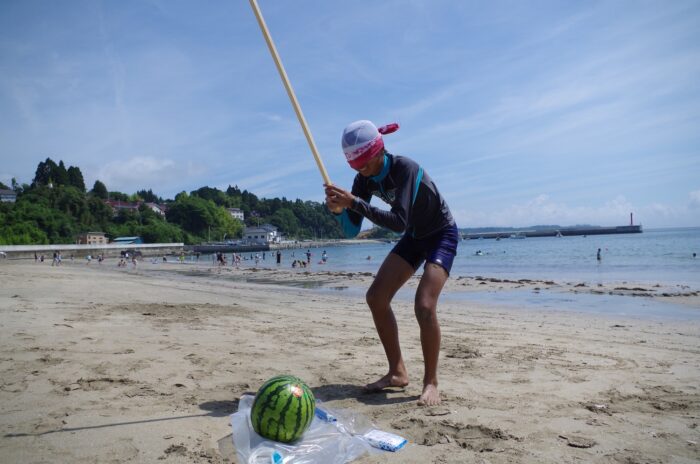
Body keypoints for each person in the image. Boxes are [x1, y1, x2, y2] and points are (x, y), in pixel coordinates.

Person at [325, 120, 458, 406]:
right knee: (376, 297)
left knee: (424, 306)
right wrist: (339, 211)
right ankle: (397, 372)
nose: (362, 172)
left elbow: (398, 222)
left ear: (379, 151)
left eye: (365, 165)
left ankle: (431, 382)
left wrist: (354, 204)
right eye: (356, 167)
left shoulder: (404, 169)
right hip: (414, 236)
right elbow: (351, 231)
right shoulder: (363, 179)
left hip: (441, 234)